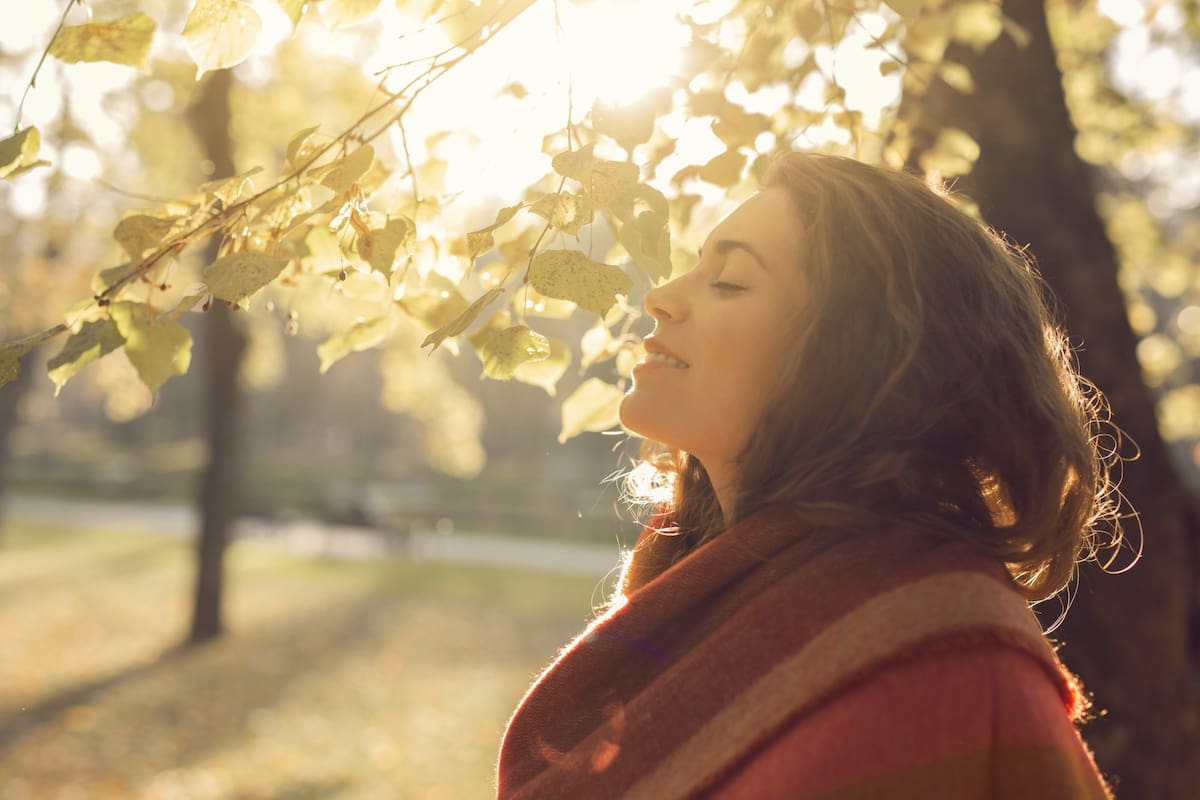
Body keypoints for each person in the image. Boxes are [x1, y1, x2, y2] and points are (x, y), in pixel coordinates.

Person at [496, 153, 1126, 798]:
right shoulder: (690, 591)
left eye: (731, 281)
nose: (659, 298)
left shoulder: (935, 654)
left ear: (858, 357)